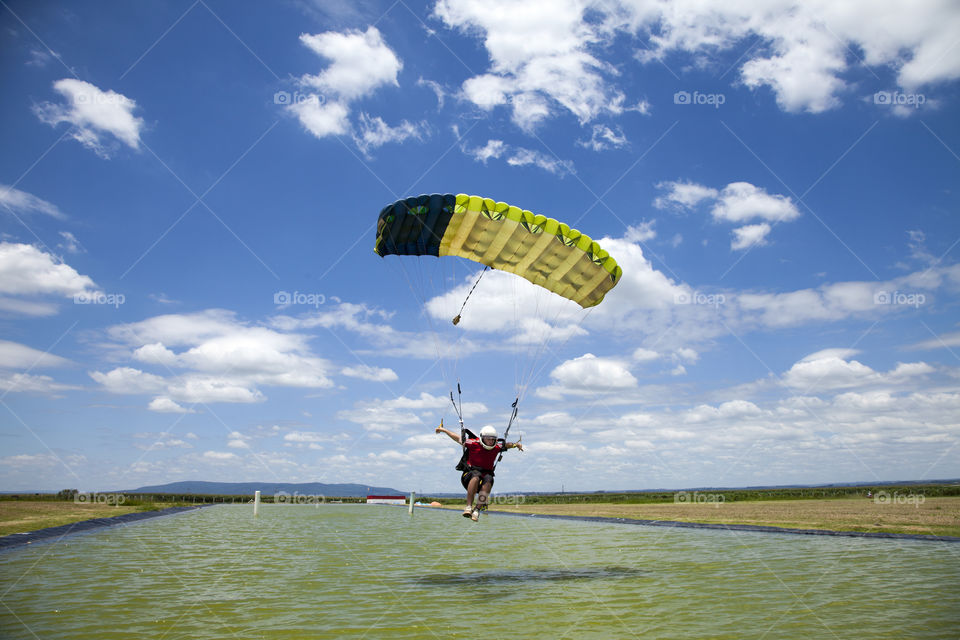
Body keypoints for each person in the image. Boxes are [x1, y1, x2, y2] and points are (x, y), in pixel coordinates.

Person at [435, 422, 523, 521]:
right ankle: (468, 507)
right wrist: (444, 430)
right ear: (482, 437)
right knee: (476, 475)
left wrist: (516, 445)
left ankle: (476, 511)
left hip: (483, 481)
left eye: (492, 439)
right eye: (488, 438)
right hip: (468, 477)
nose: (490, 441)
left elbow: (507, 445)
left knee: (489, 478)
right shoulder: (473, 443)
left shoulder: (496, 447)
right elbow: (457, 438)